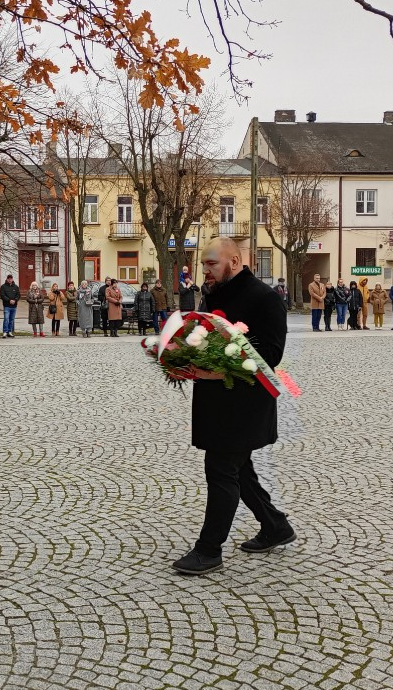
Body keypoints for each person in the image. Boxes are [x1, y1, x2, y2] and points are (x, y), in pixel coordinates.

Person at [172, 237, 292, 577]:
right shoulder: (212, 296)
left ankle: (209, 550)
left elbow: (270, 355)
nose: (205, 271)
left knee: (222, 469)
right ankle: (276, 527)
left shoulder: (265, 298)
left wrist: (217, 364)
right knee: (239, 470)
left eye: (211, 264)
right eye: (204, 265)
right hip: (216, 400)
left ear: (235, 262)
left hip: (246, 404)